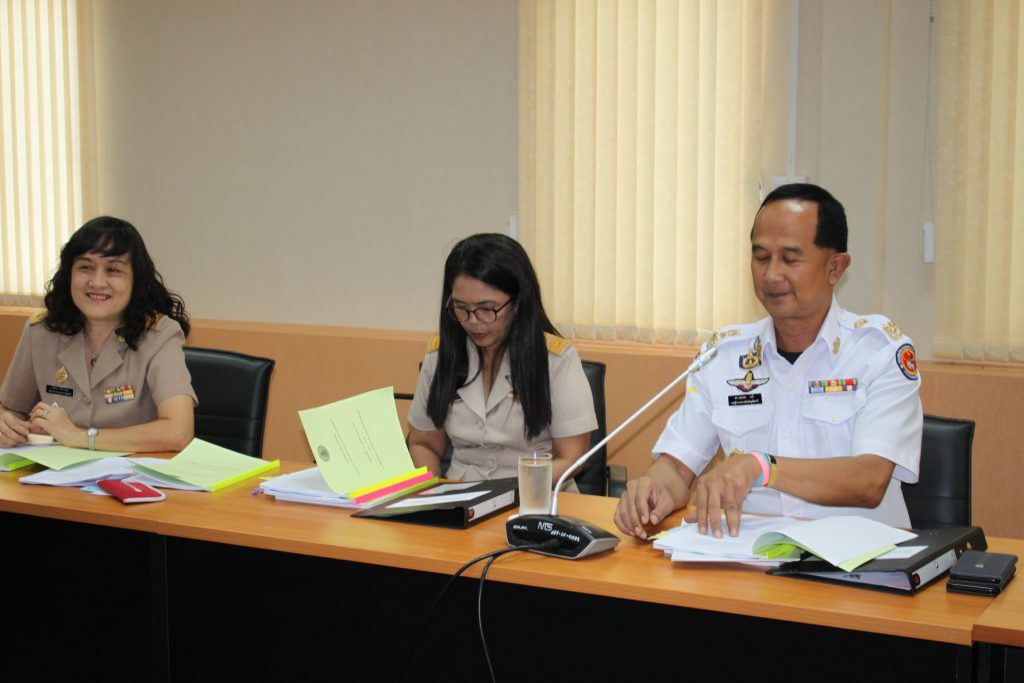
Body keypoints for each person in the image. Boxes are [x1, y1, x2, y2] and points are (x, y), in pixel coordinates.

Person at [614, 184, 922, 539]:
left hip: (861, 558)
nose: (772, 275)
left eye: (790, 259)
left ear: (835, 267)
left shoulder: (879, 351)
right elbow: (675, 468)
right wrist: (653, 490)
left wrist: (762, 466)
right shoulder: (724, 355)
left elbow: (870, 479)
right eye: (761, 257)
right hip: (750, 555)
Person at [407, 233, 598, 486]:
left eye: (487, 309)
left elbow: (572, 457)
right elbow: (424, 444)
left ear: (518, 302)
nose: (473, 321)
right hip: (460, 492)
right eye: (461, 308)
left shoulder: (555, 360)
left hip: (536, 493)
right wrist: (431, 492)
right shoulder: (442, 355)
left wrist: (510, 493)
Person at [0, 216, 196, 452]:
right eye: (85, 267)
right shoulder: (41, 332)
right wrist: (7, 424)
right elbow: (11, 409)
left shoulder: (159, 334)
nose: (97, 282)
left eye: (113, 270)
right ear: (69, 274)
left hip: (133, 472)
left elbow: (178, 432)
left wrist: (79, 436)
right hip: (55, 471)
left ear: (135, 280)